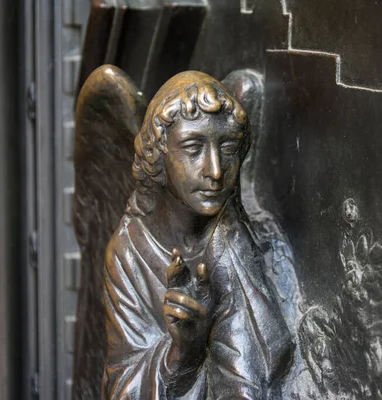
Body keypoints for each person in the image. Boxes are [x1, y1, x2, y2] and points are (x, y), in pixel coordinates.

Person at [102, 71, 293, 399]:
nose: (215, 170)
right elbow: (122, 388)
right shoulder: (130, 253)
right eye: (193, 147)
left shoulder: (233, 241)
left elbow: (257, 362)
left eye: (228, 147)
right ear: (159, 154)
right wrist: (183, 352)